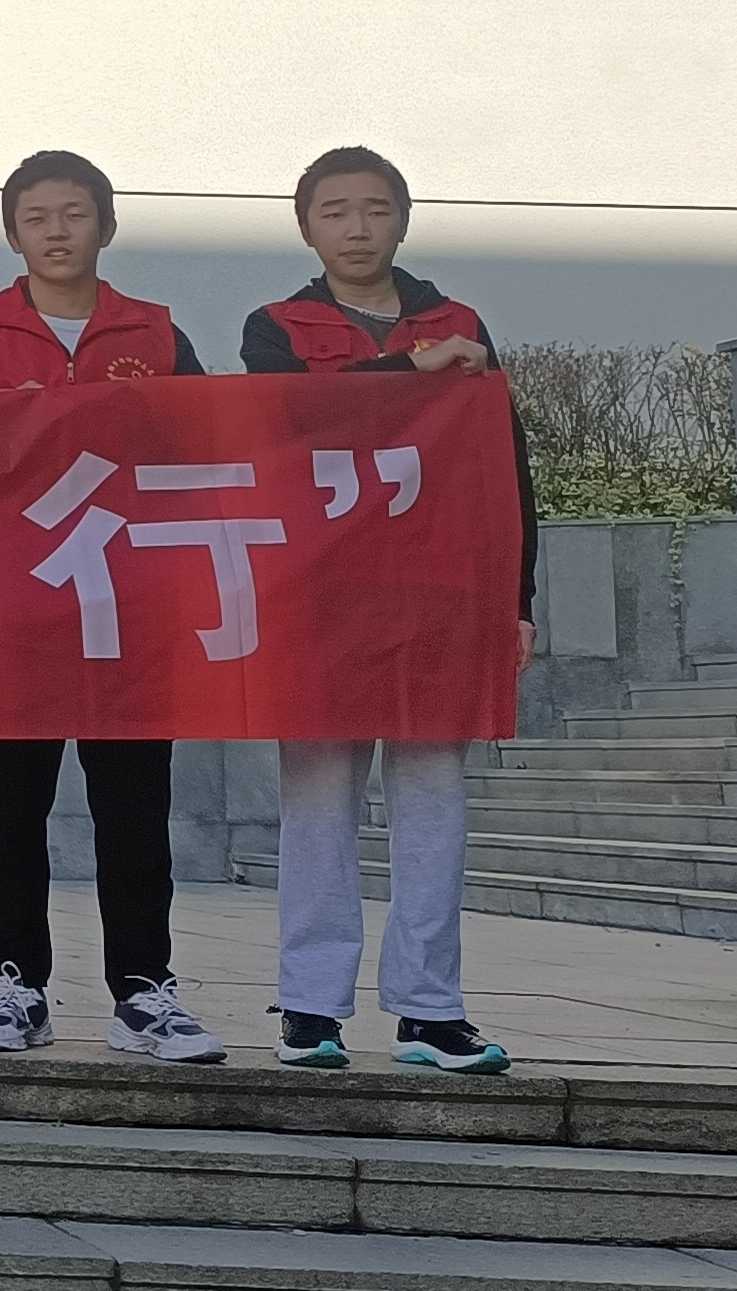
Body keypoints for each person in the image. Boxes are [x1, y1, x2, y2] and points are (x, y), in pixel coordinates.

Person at [244, 146, 535, 1077]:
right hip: (322, 601)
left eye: (375, 209)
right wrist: (411, 366)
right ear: (306, 226)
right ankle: (310, 1007)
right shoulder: (276, 326)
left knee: (434, 803)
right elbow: (289, 421)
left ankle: (429, 1010)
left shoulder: (463, 323)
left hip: (440, 601)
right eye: (335, 211)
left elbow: (504, 468)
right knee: (318, 805)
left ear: (403, 219)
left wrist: (518, 597)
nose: (357, 227)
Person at [0, 150, 222, 1063]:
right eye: (37, 217)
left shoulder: (157, 333)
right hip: (14, 610)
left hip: (129, 606)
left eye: (75, 213)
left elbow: (203, 449)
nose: (57, 232)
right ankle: (17, 984)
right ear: (13, 234)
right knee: (11, 809)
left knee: (134, 809)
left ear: (107, 225)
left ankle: (144, 992)